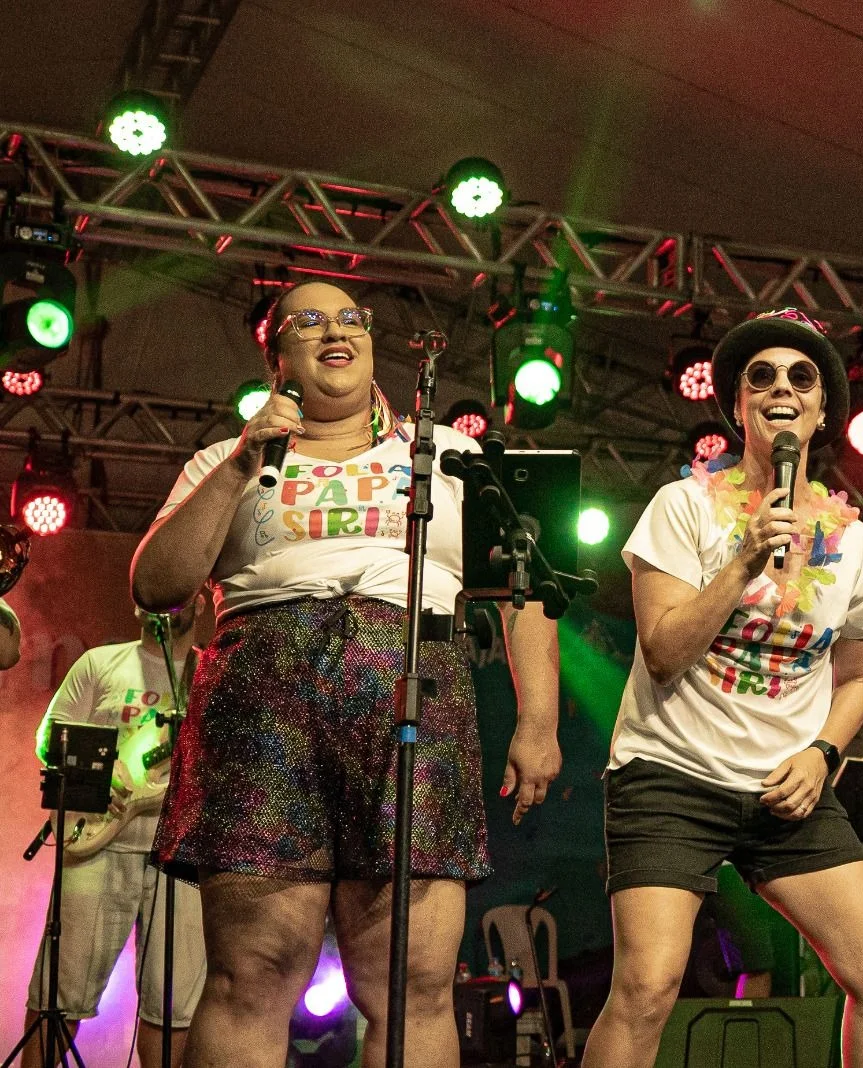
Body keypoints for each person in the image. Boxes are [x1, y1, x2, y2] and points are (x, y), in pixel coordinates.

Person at [129, 280, 561, 1067]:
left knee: (413, 978)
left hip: (413, 699)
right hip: (263, 710)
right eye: (311, 321)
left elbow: (525, 592)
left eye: (352, 318)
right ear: (277, 357)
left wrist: (538, 722)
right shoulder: (224, 460)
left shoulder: (447, 456)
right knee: (250, 973)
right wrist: (238, 465)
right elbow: (156, 585)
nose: (338, 330)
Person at [584, 308, 863, 1068]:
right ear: (737, 406)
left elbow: (860, 675)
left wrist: (823, 752)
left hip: (784, 787)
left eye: (802, 377)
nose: (781, 388)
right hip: (672, 775)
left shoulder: (855, 543)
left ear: (824, 410)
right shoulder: (685, 508)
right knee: (647, 985)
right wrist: (741, 561)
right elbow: (664, 652)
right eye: (760, 377)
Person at [19, 600, 207, 1068]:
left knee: (174, 1005)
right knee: (59, 996)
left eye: (178, 595)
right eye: (153, 595)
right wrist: (102, 776)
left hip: (180, 854)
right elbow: (49, 739)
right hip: (97, 844)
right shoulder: (101, 663)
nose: (163, 605)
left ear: (201, 602)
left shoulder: (210, 675)